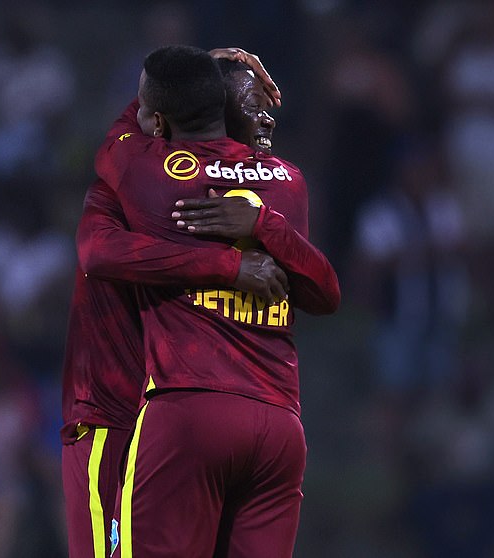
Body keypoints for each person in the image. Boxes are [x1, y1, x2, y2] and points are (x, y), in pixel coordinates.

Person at [89, 45, 340, 557]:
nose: (268, 111)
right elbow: (325, 293)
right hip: (278, 428)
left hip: (189, 410)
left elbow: (122, 136)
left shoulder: (151, 171)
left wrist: (184, 70)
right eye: (253, 104)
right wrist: (264, 226)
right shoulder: (288, 184)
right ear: (221, 110)